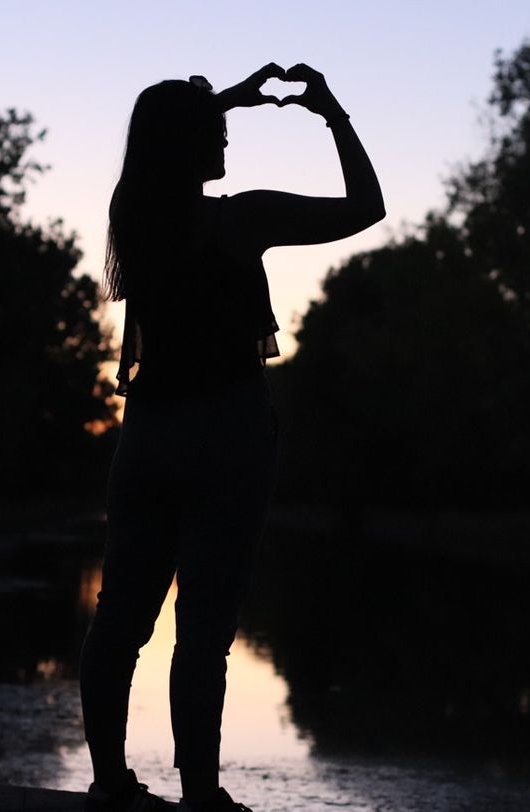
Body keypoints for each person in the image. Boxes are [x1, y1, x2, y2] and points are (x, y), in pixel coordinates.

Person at [79, 62, 384, 812]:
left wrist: (230, 98)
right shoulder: (241, 219)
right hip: (228, 434)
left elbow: (161, 131)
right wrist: (329, 111)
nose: (227, 137)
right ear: (191, 142)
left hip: (147, 435)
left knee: (119, 618)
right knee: (204, 631)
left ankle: (112, 784)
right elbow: (366, 206)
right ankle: (201, 798)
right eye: (216, 130)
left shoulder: (133, 218)